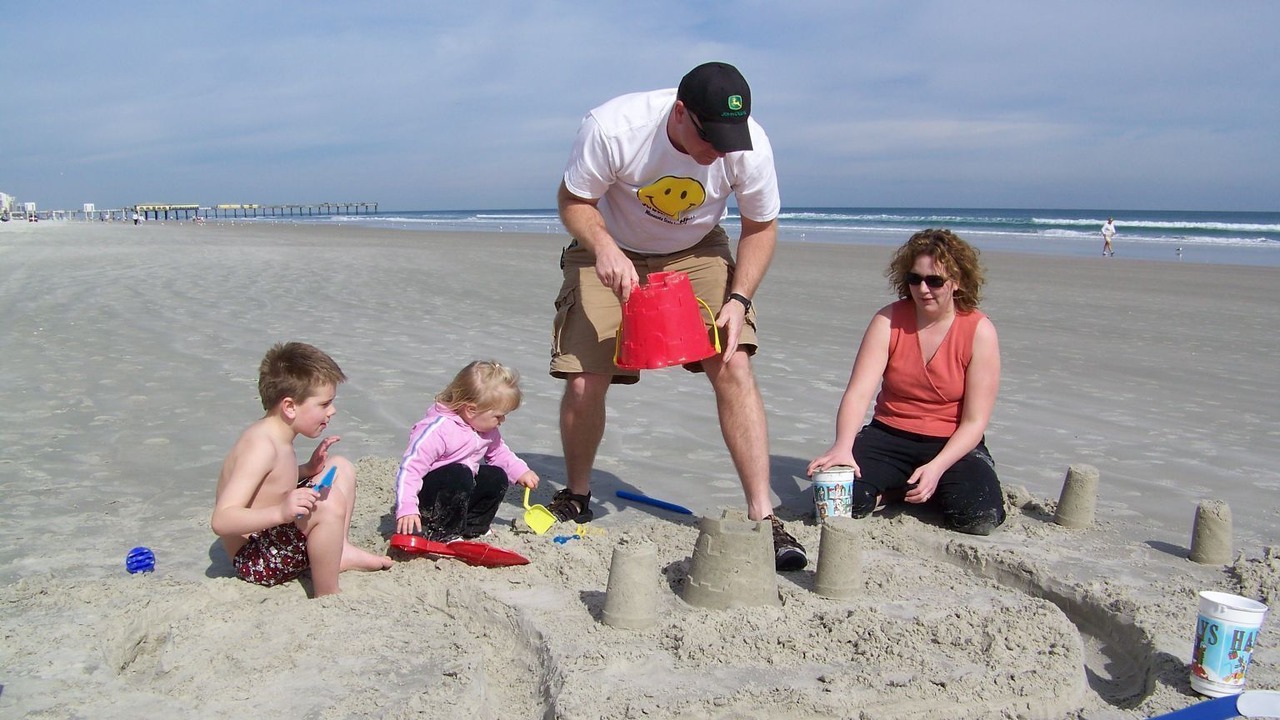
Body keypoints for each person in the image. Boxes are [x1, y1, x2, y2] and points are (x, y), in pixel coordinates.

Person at [549, 61, 807, 571]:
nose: (719, 152)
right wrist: (602, 245)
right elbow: (573, 200)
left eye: (729, 140)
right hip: (608, 244)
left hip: (697, 249)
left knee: (734, 363)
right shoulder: (614, 127)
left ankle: (764, 517)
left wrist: (739, 300)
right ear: (681, 113)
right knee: (584, 379)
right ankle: (577, 495)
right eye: (710, 138)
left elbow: (760, 225)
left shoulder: (747, 144)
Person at [808, 229, 1006, 536]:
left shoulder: (979, 331)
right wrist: (843, 447)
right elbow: (858, 394)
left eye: (935, 280)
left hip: (951, 442)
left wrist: (937, 467)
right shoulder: (887, 321)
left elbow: (975, 421)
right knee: (841, 503)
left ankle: (925, 483)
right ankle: (898, 488)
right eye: (915, 279)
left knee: (976, 515)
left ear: (958, 282)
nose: (923, 289)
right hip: (889, 436)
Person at [211, 342, 391, 596]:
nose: (333, 410)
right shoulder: (260, 446)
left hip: (273, 536)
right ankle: (327, 593)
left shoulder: (278, 435)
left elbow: (269, 484)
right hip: (257, 558)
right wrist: (281, 512)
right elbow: (222, 519)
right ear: (290, 406)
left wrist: (307, 469)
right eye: (324, 404)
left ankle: (340, 551)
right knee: (328, 504)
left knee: (340, 467)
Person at [394, 361, 540, 542]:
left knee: (496, 476)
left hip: (461, 493)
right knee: (459, 472)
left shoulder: (486, 430)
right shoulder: (438, 430)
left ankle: (473, 526)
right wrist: (407, 507)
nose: (503, 420)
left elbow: (499, 452)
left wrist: (520, 471)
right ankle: (444, 532)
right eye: (498, 415)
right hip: (431, 498)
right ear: (471, 410)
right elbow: (410, 469)